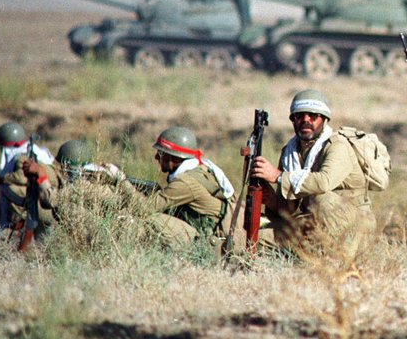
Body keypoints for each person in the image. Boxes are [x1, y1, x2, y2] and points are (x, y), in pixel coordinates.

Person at [249, 89, 376, 257]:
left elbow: (323, 182)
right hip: (313, 223)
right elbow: (290, 208)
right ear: (293, 120)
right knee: (264, 232)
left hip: (356, 228)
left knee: (322, 198)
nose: (305, 120)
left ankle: (335, 259)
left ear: (324, 119)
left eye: (313, 116)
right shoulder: (290, 152)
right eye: (299, 116)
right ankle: (305, 257)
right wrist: (272, 200)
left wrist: (279, 176)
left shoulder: (337, 145)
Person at [140, 127, 236, 250]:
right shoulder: (202, 168)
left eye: (161, 153)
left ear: (174, 157)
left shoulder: (185, 182)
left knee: (152, 219)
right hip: (215, 234)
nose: (156, 157)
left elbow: (144, 207)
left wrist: (122, 182)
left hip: (212, 243)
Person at [0, 121, 56, 230]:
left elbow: (21, 178)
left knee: (4, 187)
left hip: (43, 203)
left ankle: (17, 219)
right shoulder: (42, 152)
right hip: (49, 201)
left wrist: (0, 179)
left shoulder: (21, 156)